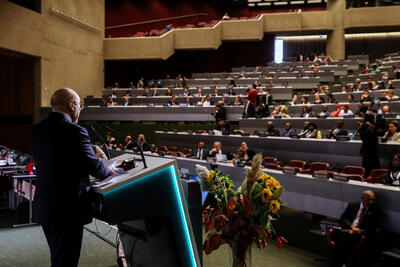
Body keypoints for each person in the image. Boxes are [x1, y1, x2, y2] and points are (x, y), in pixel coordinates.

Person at [30, 88, 114, 267]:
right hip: (67, 209)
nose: (79, 111)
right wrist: (110, 170)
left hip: (46, 205)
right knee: (66, 261)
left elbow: (58, 162)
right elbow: (93, 166)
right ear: (72, 105)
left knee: (58, 257)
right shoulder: (75, 130)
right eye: (80, 106)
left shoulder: (37, 130)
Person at [328, 190, 380, 267]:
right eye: (368, 199)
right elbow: (343, 219)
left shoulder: (374, 211)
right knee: (344, 235)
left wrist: (359, 231)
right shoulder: (353, 205)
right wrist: (351, 227)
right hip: (347, 229)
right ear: (362, 198)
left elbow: (373, 228)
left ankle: (337, 263)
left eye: (373, 200)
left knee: (341, 238)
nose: (371, 202)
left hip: (358, 234)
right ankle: (344, 262)